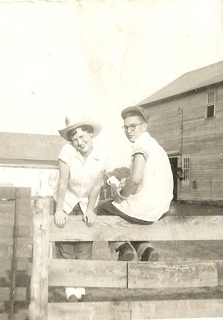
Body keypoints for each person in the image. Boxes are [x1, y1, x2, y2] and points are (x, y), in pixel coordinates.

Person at [97, 106, 173, 261]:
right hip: (162, 206)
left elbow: (136, 179)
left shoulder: (141, 145)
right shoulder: (154, 145)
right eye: (125, 127)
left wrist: (122, 195)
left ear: (144, 126)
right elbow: (142, 179)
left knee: (102, 208)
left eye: (133, 126)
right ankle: (146, 250)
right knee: (127, 216)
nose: (129, 131)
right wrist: (128, 183)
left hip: (147, 207)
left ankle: (122, 248)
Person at [54, 112, 106, 302]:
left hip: (85, 202)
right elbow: (62, 182)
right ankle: (70, 292)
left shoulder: (101, 156)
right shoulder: (67, 153)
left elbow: (97, 185)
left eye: (82, 136)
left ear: (91, 134)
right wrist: (59, 210)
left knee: (84, 247)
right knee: (66, 246)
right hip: (66, 200)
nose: (79, 142)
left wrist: (91, 209)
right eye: (74, 139)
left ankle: (81, 290)